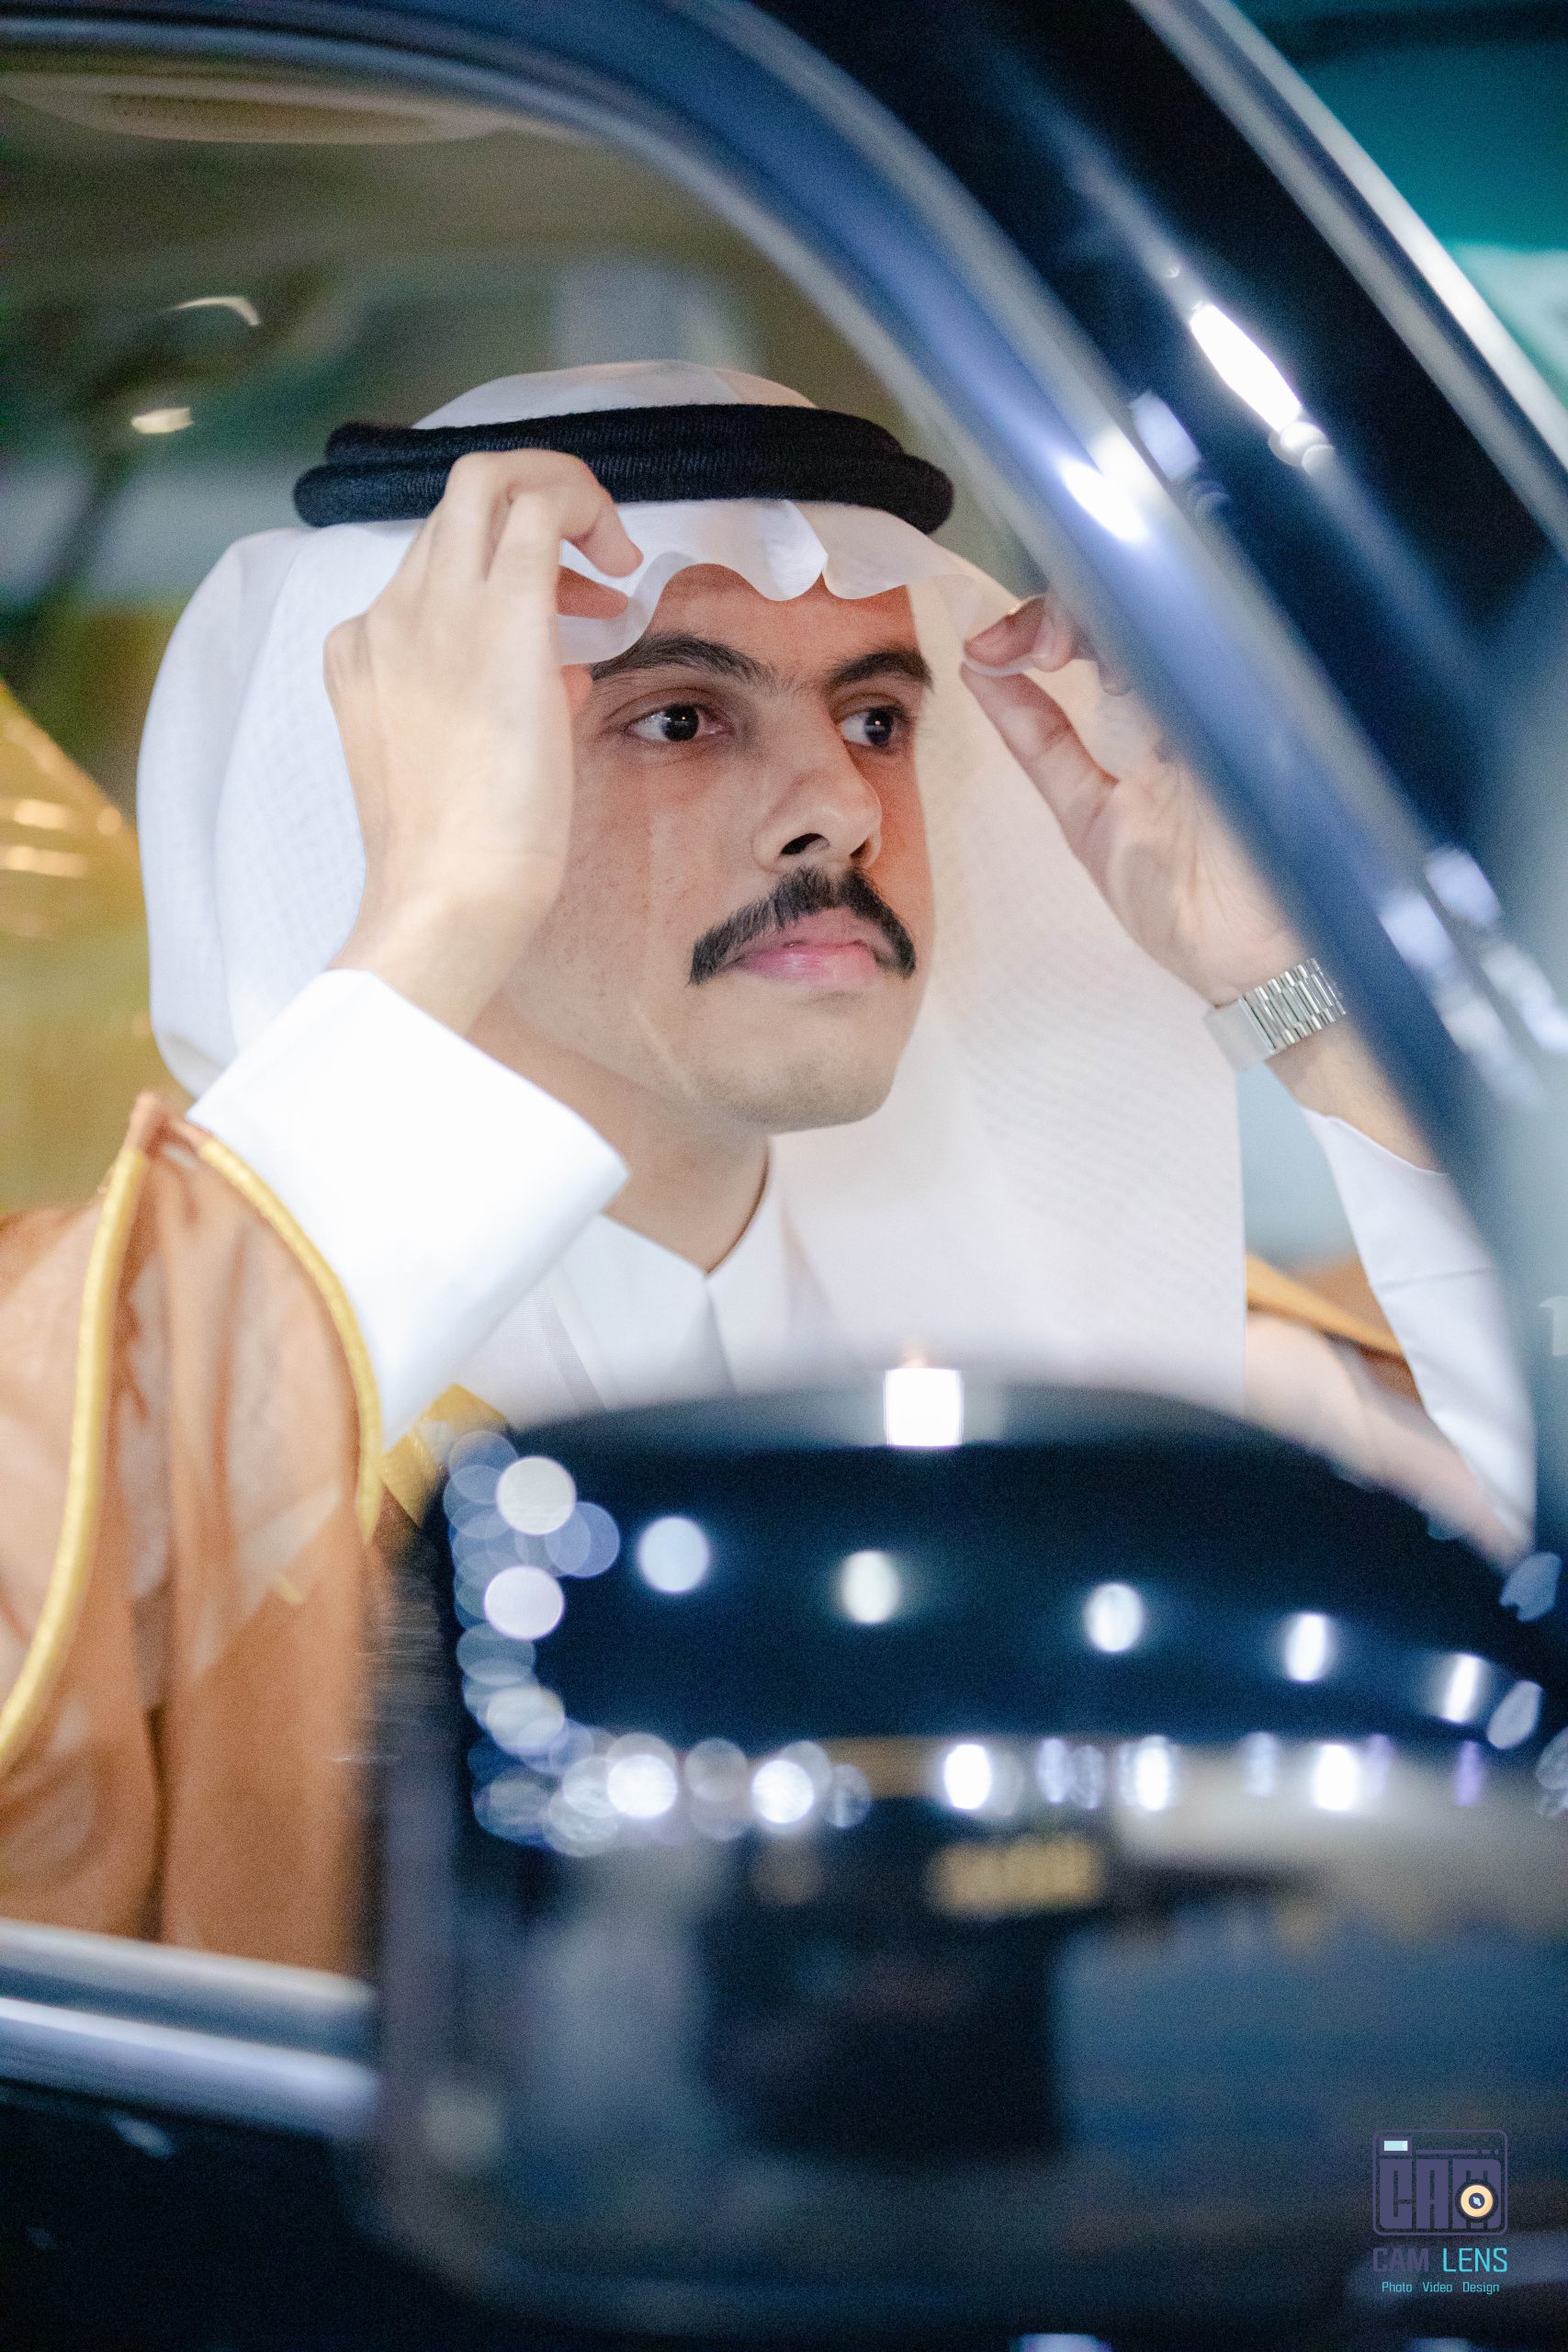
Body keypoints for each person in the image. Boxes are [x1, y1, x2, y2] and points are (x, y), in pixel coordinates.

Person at [0, 362, 1530, 1969]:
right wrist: (433, 917)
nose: (839, 810)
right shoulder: (108, 1421)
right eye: (677, 718)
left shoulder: (1106, 1358)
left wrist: (1301, 1004)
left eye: (878, 719)